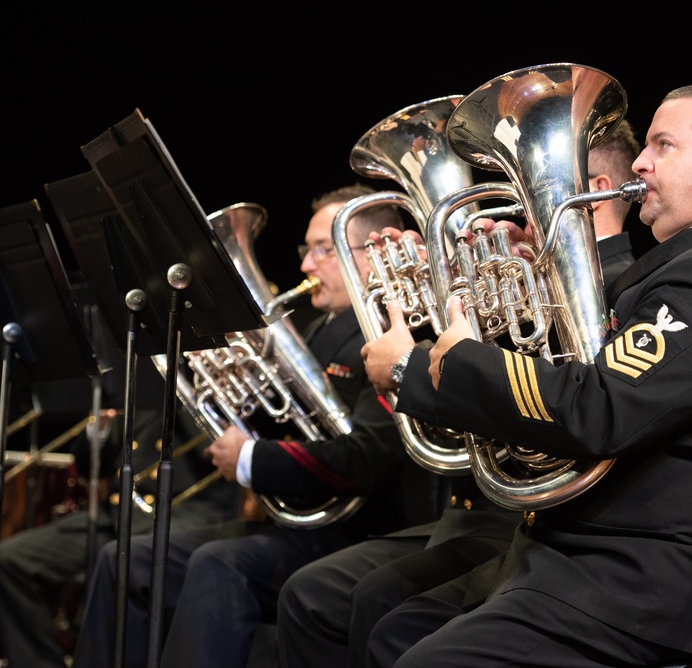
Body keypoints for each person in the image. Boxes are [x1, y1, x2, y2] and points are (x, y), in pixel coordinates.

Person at [359, 83, 692, 666]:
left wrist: (430, 366)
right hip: (586, 555)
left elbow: (597, 409)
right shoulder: (687, 267)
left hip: (650, 583)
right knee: (393, 629)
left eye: (663, 145)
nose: (640, 160)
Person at [273, 120, 644, 668]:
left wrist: (415, 364)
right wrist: (432, 286)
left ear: (583, 188)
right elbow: (466, 393)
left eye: (527, 190)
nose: (514, 215)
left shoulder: (623, 286)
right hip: (488, 511)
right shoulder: (539, 279)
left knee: (384, 606)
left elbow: (552, 403)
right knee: (328, 595)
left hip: (550, 526)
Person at [71, 184, 446, 668]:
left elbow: (368, 458)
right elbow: (282, 421)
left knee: (220, 563)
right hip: (305, 521)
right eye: (305, 251)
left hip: (364, 528)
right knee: (127, 557)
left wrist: (251, 458)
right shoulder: (318, 328)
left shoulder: (396, 335)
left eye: (323, 250)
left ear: (376, 253)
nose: (307, 266)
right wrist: (231, 378)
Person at [0, 302, 239, 668]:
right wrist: (99, 431)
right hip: (120, 512)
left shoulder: (214, 369)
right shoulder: (143, 367)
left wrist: (193, 374)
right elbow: (95, 466)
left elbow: (223, 449)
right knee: (9, 560)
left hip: (190, 514)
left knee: (122, 559)